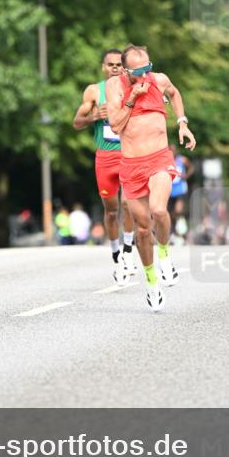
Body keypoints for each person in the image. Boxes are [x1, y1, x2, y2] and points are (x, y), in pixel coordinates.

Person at [106, 44, 196, 312]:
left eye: (148, 67)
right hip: (131, 166)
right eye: (139, 71)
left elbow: (174, 93)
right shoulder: (115, 87)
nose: (145, 75)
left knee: (158, 210)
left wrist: (182, 123)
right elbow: (115, 125)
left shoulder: (159, 80)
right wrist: (132, 97)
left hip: (159, 159)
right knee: (143, 228)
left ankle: (165, 255)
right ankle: (151, 281)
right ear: (125, 71)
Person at [72, 48, 136, 285]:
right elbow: (76, 122)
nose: (115, 68)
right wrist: (95, 117)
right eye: (111, 64)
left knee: (129, 203)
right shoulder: (94, 91)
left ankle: (128, 249)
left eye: (119, 64)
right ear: (104, 67)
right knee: (111, 210)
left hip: (129, 154)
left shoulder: (132, 87)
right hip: (105, 158)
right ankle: (116, 253)